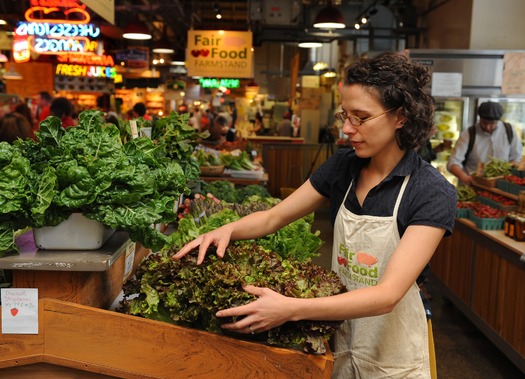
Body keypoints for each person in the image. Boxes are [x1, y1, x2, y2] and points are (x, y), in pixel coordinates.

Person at [173, 51, 457, 378]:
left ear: (401, 116)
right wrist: (224, 231)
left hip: (392, 355)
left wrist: (290, 309)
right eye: (344, 115)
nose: (347, 129)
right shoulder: (343, 167)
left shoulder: (430, 191)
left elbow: (387, 295)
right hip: (340, 335)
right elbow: (273, 218)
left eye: (360, 118)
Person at [447, 101, 523, 185]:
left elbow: (516, 157)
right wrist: (466, 178)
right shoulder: (469, 134)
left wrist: (505, 171)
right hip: (474, 185)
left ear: (498, 120)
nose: (487, 127)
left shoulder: (509, 130)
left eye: (492, 123)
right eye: (484, 122)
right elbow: (453, 162)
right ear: (479, 118)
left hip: (501, 185)